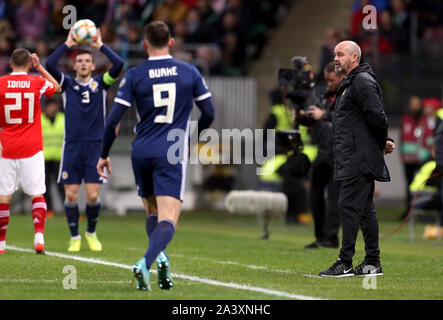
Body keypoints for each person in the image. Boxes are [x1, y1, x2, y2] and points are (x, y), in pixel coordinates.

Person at [97, 21, 214, 291]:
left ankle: (161, 258)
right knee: (169, 218)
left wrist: (103, 154)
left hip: (142, 149)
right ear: (171, 42)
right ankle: (145, 263)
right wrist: (192, 138)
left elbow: (113, 120)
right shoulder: (189, 72)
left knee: (151, 211)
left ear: (144, 44)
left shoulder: (135, 75)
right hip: (170, 149)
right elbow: (209, 112)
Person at [318, 41, 395, 277]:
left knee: (348, 206)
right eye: (334, 55)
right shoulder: (350, 83)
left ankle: (345, 262)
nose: (336, 59)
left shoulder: (361, 81)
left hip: (358, 158)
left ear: (354, 58)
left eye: (341, 55)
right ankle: (372, 263)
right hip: (353, 156)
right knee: (364, 211)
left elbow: (377, 115)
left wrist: (381, 141)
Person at [45, 27, 124, 252]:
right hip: (72, 147)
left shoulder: (101, 83)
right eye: (79, 61)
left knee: (91, 196)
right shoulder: (67, 84)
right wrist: (67, 44)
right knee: (70, 195)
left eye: (87, 61)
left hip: (95, 147)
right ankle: (74, 236)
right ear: (74, 65)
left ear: (92, 65)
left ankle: (91, 232)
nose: (82, 64)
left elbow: (118, 65)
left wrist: (100, 45)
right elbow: (49, 65)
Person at [0, 49, 61, 254]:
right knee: (37, 194)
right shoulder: (36, 81)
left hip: (7, 146)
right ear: (28, 65)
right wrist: (40, 67)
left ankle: (1, 244)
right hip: (32, 147)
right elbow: (58, 87)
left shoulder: (1, 83)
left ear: (10, 64)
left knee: (4, 197)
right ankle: (39, 237)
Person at [304, 62, 344, 249]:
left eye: (332, 80)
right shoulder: (321, 96)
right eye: (326, 80)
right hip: (322, 151)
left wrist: (324, 115)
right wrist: (304, 118)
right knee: (314, 195)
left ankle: (331, 237)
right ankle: (320, 236)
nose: (328, 84)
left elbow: (348, 119)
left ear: (341, 78)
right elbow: (315, 122)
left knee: (335, 198)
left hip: (340, 154)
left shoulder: (347, 95)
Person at [400, 96, 424, 218]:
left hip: (422, 160)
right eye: (412, 104)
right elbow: (402, 139)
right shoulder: (406, 119)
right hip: (409, 160)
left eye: (416, 104)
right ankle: (408, 210)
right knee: (409, 185)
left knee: (421, 185)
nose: (414, 106)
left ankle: (421, 211)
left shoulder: (425, 120)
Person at [41, 98, 65, 218]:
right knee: (45, 186)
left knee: (62, 185)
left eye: (54, 106)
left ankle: (68, 210)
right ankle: (49, 210)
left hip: (59, 158)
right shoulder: (40, 120)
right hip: (44, 158)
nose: (52, 108)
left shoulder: (63, 119)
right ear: (46, 107)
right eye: (50, 106)